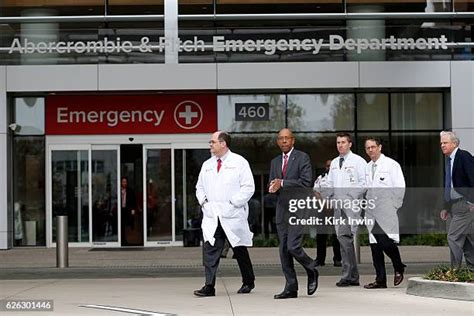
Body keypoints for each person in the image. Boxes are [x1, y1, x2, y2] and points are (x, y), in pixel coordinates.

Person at [194, 131, 256, 297]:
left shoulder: (239, 162)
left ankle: (248, 281)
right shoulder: (207, 165)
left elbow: (248, 187)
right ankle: (209, 285)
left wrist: (233, 203)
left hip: (232, 214)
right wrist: (204, 203)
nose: (210, 145)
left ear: (223, 144)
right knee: (210, 250)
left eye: (213, 142)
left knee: (239, 248)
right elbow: (199, 187)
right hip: (212, 215)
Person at [269, 128, 318, 299]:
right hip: (282, 210)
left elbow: (306, 183)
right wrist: (273, 187)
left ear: (293, 140)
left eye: (286, 138)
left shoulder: (302, 157)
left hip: (299, 209)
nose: (283, 141)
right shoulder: (275, 162)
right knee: (284, 250)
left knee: (293, 246)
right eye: (280, 139)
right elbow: (274, 184)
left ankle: (311, 267)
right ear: (277, 141)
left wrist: (282, 183)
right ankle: (291, 287)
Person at [319, 132, 366, 287]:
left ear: (350, 144)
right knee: (343, 240)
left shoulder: (358, 161)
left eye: (343, 142)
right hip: (338, 206)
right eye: (338, 142)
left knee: (345, 240)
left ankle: (348, 276)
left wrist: (351, 196)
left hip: (351, 205)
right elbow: (331, 184)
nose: (340, 145)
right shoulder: (333, 163)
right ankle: (353, 276)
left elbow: (364, 183)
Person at [364, 138, 407, 289]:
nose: (371, 150)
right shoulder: (367, 167)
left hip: (386, 210)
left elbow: (400, 186)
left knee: (385, 242)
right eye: (368, 148)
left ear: (380, 147)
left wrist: (394, 205)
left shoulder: (391, 165)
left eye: (373, 147)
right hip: (371, 211)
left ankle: (399, 266)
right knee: (375, 246)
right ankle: (380, 280)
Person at [439, 131, 474, 268]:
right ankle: (471, 269)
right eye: (441, 143)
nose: (442, 145)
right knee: (466, 239)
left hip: (465, 205)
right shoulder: (449, 160)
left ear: (454, 143)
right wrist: (446, 207)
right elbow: (449, 186)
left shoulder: (463, 156)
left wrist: (472, 202)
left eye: (445, 142)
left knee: (453, 237)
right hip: (454, 206)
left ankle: (455, 271)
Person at [313, 159, 342, 267]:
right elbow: (316, 191)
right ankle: (320, 260)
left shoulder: (339, 178)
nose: (329, 167)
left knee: (337, 235)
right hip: (323, 209)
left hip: (336, 209)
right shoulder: (321, 178)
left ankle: (338, 259)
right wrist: (323, 203)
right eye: (327, 166)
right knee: (321, 236)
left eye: (331, 165)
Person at [120, 176, 138, 244]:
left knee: (128, 225)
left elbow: (133, 201)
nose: (124, 183)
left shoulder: (130, 191)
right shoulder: (119, 190)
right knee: (121, 225)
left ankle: (129, 240)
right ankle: (122, 240)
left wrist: (133, 210)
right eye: (123, 182)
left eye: (125, 182)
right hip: (121, 210)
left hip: (128, 210)